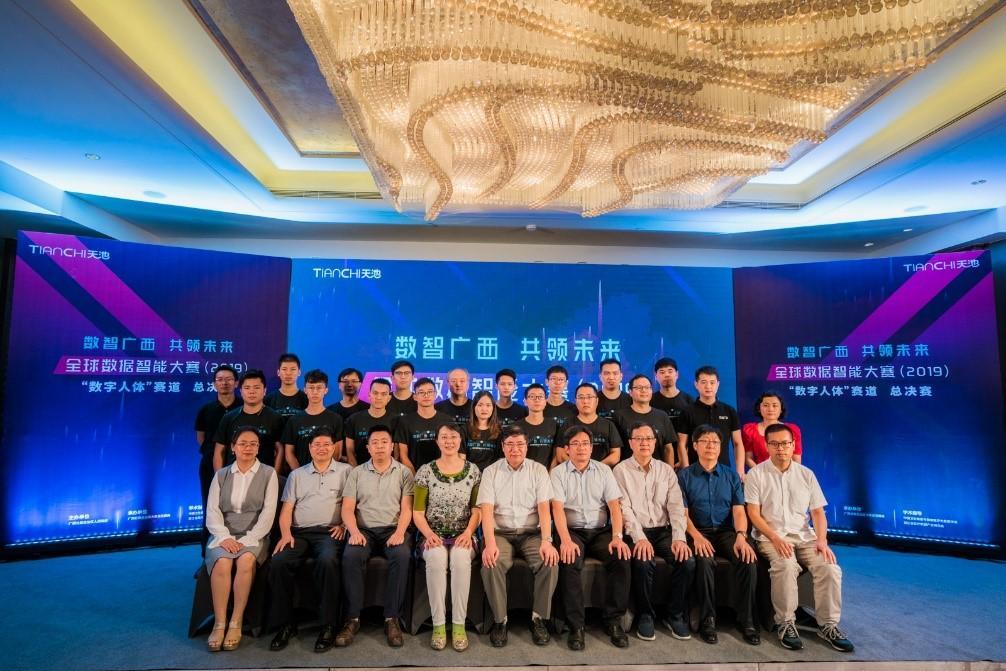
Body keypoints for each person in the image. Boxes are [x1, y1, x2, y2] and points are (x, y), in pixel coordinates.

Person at [745, 424, 854, 653]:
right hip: (770, 536)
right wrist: (774, 537)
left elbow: (818, 513)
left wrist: (822, 540)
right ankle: (786, 623)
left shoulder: (806, 474)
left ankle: (828, 625)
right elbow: (753, 513)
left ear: (793, 445)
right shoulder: (756, 474)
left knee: (830, 568)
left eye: (785, 443)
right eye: (775, 444)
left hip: (804, 536)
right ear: (767, 446)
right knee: (785, 565)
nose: (781, 448)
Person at [269, 427, 352, 652]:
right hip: (299, 533)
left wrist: (344, 525)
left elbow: (354, 504)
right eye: (317, 445)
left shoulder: (346, 471)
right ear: (309, 448)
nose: (321, 448)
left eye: (326, 444)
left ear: (334, 447)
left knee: (327, 561)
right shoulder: (297, 475)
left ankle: (328, 625)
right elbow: (286, 510)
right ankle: (286, 624)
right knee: (279, 562)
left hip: (330, 532)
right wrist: (286, 534)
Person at [551, 425, 631, 650]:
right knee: (569, 560)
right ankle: (576, 626)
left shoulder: (604, 471)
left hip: (600, 531)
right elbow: (557, 509)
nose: (581, 448)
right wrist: (565, 540)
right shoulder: (557, 473)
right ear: (567, 449)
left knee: (621, 557)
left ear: (592, 447)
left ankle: (613, 621)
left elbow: (614, 507)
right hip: (572, 531)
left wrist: (617, 536)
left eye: (585, 443)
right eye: (575, 444)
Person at [678, 425, 759, 646]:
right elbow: (682, 514)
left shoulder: (731, 476)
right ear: (695, 446)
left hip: (726, 532)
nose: (710, 446)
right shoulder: (684, 476)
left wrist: (741, 536)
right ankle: (708, 620)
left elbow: (739, 511)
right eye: (705, 441)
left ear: (721, 447)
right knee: (704, 561)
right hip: (696, 531)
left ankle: (747, 620)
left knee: (748, 559)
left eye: (715, 442)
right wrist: (696, 537)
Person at [612, 423, 694, 642]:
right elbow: (624, 509)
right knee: (642, 561)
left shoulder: (666, 470)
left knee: (687, 561)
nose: (644, 443)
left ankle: (674, 614)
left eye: (648, 438)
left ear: (655, 442)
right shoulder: (620, 470)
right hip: (636, 531)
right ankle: (645, 614)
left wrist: (679, 538)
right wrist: (639, 538)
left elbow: (676, 506)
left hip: (664, 531)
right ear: (630, 443)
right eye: (639, 439)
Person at [479, 424, 559, 648]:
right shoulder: (491, 471)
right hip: (500, 533)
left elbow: (544, 509)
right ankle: (500, 621)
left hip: (531, 533)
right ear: (503, 447)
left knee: (549, 561)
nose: (515, 449)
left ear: (527, 446)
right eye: (510, 444)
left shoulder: (538, 470)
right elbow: (486, 511)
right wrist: (489, 544)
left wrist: (547, 541)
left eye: (520, 444)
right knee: (491, 562)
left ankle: (538, 618)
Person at [337, 425, 415, 648]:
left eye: (384, 442)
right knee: (351, 556)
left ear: (392, 446)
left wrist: (400, 532)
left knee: (401, 555)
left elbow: (407, 508)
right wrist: (354, 532)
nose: (379, 446)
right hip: (364, 531)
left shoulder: (404, 472)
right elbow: (347, 508)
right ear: (368, 447)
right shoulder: (357, 473)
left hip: (393, 529)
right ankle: (352, 619)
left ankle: (392, 618)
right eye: (375, 442)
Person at [203, 429, 278, 651]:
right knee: (223, 561)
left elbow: (268, 513)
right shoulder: (221, 475)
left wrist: (249, 538)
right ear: (233, 447)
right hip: (223, 532)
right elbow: (212, 511)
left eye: (253, 444)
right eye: (243, 443)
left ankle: (236, 622)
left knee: (245, 560)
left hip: (255, 533)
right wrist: (224, 537)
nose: (248, 448)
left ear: (258, 448)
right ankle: (219, 623)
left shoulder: (269, 473)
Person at [413, 424, 482, 651]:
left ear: (460, 440)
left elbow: (477, 509)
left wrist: (468, 533)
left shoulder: (473, 471)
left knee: (460, 560)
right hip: (432, 535)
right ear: (437, 441)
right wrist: (429, 534)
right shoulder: (425, 471)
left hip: (464, 535)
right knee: (436, 559)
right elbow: (417, 512)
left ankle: (459, 625)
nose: (449, 441)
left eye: (453, 437)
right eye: (444, 437)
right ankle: (439, 625)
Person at [195, 365, 240, 551]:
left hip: (239, 464)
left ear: (236, 383)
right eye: (220, 379)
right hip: (210, 465)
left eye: (229, 379)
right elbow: (201, 437)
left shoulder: (243, 407)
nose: (224, 383)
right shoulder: (206, 409)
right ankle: (207, 555)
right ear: (214, 384)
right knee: (211, 507)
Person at [676, 366, 744, 476]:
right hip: (695, 472)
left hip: (723, 472)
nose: (708, 386)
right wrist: (686, 470)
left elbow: (738, 443)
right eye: (704, 382)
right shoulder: (687, 412)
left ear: (718, 384)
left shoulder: (729, 411)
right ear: (696, 384)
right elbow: (682, 444)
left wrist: (740, 471)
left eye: (712, 382)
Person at [213, 370, 285, 472]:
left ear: (264, 390)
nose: (252, 392)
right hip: (233, 475)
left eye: (256, 387)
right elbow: (219, 451)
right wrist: (220, 477)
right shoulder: (229, 418)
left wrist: (274, 476)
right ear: (241, 391)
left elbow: (280, 450)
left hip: (264, 476)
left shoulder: (275, 418)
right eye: (247, 388)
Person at [282, 369, 344, 469]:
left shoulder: (336, 419)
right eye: (311, 388)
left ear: (326, 390)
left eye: (319, 388)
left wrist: (326, 473)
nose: (315, 392)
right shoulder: (294, 420)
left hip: (329, 474)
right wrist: (300, 474)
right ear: (305, 390)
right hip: (301, 474)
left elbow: (337, 453)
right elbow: (289, 453)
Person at [615, 374, 677, 464]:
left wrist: (669, 470)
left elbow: (668, 449)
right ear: (630, 392)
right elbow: (616, 449)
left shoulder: (662, 416)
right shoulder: (619, 416)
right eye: (639, 388)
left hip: (657, 470)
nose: (643, 390)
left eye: (647, 387)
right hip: (627, 470)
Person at [394, 377, 452, 473]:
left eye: (430, 392)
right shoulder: (405, 421)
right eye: (421, 392)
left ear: (435, 394)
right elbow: (403, 455)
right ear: (415, 397)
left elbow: (451, 450)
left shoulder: (447, 420)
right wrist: (414, 476)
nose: (426, 395)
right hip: (413, 474)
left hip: (443, 474)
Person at [555, 383, 621, 467]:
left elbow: (616, 455)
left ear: (597, 401)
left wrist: (595, 469)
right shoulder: (567, 424)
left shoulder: (608, 425)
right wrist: (579, 467)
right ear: (576, 401)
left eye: (589, 397)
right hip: (572, 472)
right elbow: (560, 454)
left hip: (602, 472)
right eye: (581, 397)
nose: (585, 401)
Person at [741, 392, 803, 468]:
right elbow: (748, 458)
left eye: (775, 405)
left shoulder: (792, 429)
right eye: (766, 405)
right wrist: (760, 473)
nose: (770, 409)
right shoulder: (750, 430)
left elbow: (796, 459)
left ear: (781, 409)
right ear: (759, 409)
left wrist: (789, 473)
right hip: (760, 472)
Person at [345, 378, 394, 466]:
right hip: (359, 470)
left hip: (389, 471)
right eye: (375, 393)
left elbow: (397, 452)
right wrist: (356, 471)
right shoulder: (354, 419)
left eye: (383, 394)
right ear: (369, 395)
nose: (379, 397)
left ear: (389, 398)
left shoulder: (396, 420)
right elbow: (349, 450)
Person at [515, 383, 562, 468]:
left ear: (545, 401)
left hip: (547, 473)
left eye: (540, 397)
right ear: (525, 401)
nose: (536, 400)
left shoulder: (553, 425)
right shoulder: (517, 426)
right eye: (532, 397)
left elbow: (556, 452)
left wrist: (551, 471)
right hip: (523, 472)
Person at [463, 390, 502, 471]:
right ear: (474, 407)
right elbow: (461, 458)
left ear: (493, 408)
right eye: (480, 405)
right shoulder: (464, 429)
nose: (484, 409)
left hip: (492, 475)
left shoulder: (499, 431)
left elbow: (500, 460)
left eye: (488, 405)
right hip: (469, 474)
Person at [264, 353, 309, 418]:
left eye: (293, 369)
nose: (288, 373)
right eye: (284, 369)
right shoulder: (268, 400)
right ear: (278, 372)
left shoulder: (307, 399)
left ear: (299, 372)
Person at [650, 358, 693, 423]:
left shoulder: (688, 400)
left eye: (670, 371)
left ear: (677, 374)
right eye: (662, 372)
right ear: (656, 376)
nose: (667, 375)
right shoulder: (650, 401)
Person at [543, 364, 577, 430]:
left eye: (561, 379)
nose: (557, 383)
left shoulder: (573, 409)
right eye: (553, 379)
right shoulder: (539, 407)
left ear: (566, 383)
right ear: (546, 382)